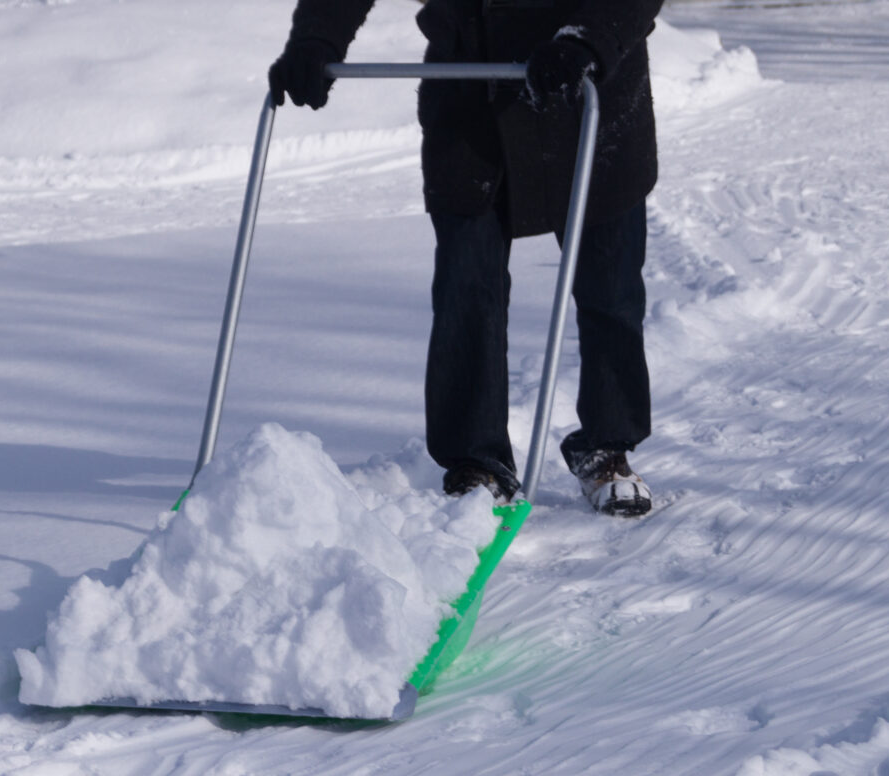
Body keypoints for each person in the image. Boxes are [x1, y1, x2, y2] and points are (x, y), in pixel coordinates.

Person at [269, 0, 664, 517]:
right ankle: (477, 464)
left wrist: (586, 40)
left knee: (609, 289)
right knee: (465, 289)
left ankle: (607, 449)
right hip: (471, 95)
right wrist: (317, 38)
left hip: (586, 92)